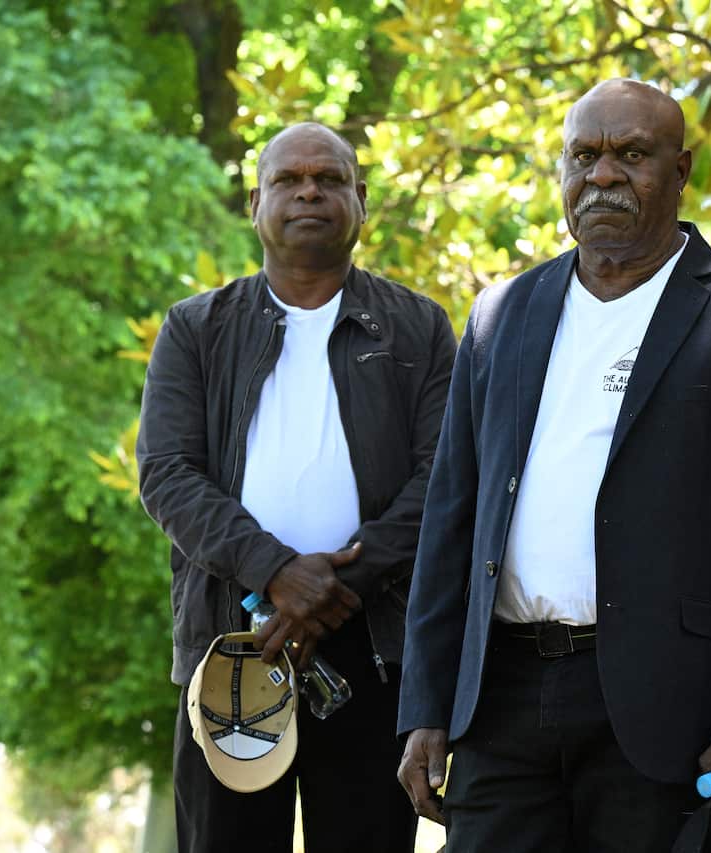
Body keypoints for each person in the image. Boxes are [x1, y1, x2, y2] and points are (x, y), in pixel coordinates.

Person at [396, 79, 711, 852]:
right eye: (584, 156)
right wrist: (426, 702)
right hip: (500, 703)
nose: (603, 175)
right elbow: (451, 522)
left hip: (666, 714)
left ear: (681, 170)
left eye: (632, 155)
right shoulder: (500, 317)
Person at [137, 122, 456, 853]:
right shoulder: (195, 330)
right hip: (232, 647)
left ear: (361, 201)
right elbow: (166, 473)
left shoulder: (418, 329)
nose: (309, 190)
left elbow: (443, 475)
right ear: (256, 203)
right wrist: (277, 572)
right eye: (288, 179)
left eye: (329, 178)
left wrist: (336, 585)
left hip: (374, 653)